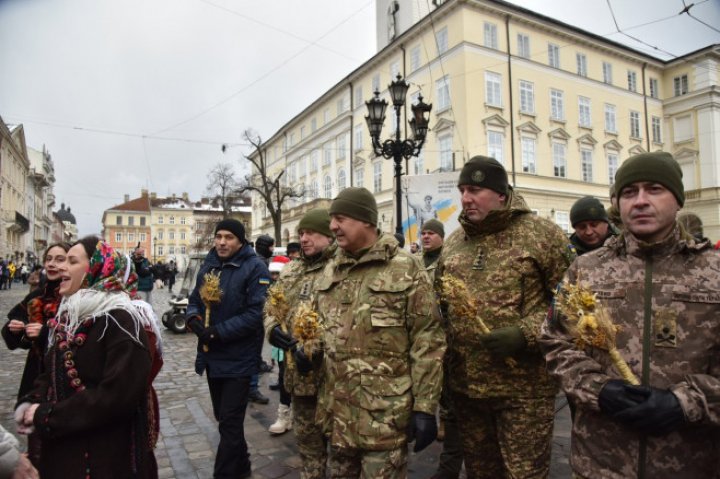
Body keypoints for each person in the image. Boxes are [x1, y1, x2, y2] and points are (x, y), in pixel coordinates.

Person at [540, 151, 720, 478]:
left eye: (654, 189)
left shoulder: (713, 271)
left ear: (677, 199)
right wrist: (598, 389)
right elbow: (553, 342)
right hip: (601, 463)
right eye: (629, 192)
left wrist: (686, 403)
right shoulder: (586, 269)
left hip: (690, 462)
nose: (639, 201)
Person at [435, 156, 573, 478]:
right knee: (481, 473)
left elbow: (574, 303)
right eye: (462, 190)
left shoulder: (542, 234)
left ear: (500, 194)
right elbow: (441, 305)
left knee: (523, 474)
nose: (465, 198)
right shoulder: (455, 242)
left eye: (474, 190)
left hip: (523, 390)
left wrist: (525, 332)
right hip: (468, 388)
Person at [314, 187, 445, 477]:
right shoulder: (331, 269)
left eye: (341, 218)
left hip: (384, 418)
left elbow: (428, 340)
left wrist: (425, 406)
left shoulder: (405, 267)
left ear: (367, 222)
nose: (333, 226)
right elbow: (318, 326)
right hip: (337, 414)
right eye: (332, 219)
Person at [15, 236, 161, 478]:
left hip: (103, 458)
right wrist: (32, 401)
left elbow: (116, 397)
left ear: (96, 269)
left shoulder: (121, 321)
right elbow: (51, 371)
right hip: (65, 450)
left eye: (71, 261)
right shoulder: (71, 316)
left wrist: (48, 415)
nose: (61, 267)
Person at [185, 219, 271, 479]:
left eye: (229, 237)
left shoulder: (255, 267)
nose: (222, 242)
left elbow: (256, 313)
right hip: (212, 358)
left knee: (230, 424)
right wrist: (194, 320)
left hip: (240, 358)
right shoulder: (209, 265)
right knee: (225, 420)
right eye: (219, 236)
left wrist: (218, 332)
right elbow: (194, 302)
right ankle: (242, 467)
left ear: (241, 241)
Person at [265, 209, 337, 477]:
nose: (304, 239)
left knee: (342, 451)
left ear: (328, 236)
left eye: (311, 233)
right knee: (308, 446)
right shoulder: (291, 270)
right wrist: (272, 329)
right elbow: (271, 307)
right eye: (301, 234)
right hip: (300, 379)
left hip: (334, 381)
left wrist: (316, 346)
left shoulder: (341, 267)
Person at [1, 242, 69, 467]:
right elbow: (13, 335)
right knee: (37, 443)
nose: (52, 264)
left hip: (65, 376)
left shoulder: (74, 296)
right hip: (36, 372)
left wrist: (45, 332)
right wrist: (16, 330)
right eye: (49, 258)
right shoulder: (37, 295)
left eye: (60, 259)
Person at [420, 220, 462, 479]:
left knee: (450, 396)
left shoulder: (449, 261)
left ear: (442, 237)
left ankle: (449, 465)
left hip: (444, 338)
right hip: (420, 338)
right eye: (423, 233)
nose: (425, 237)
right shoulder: (414, 262)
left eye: (431, 233)